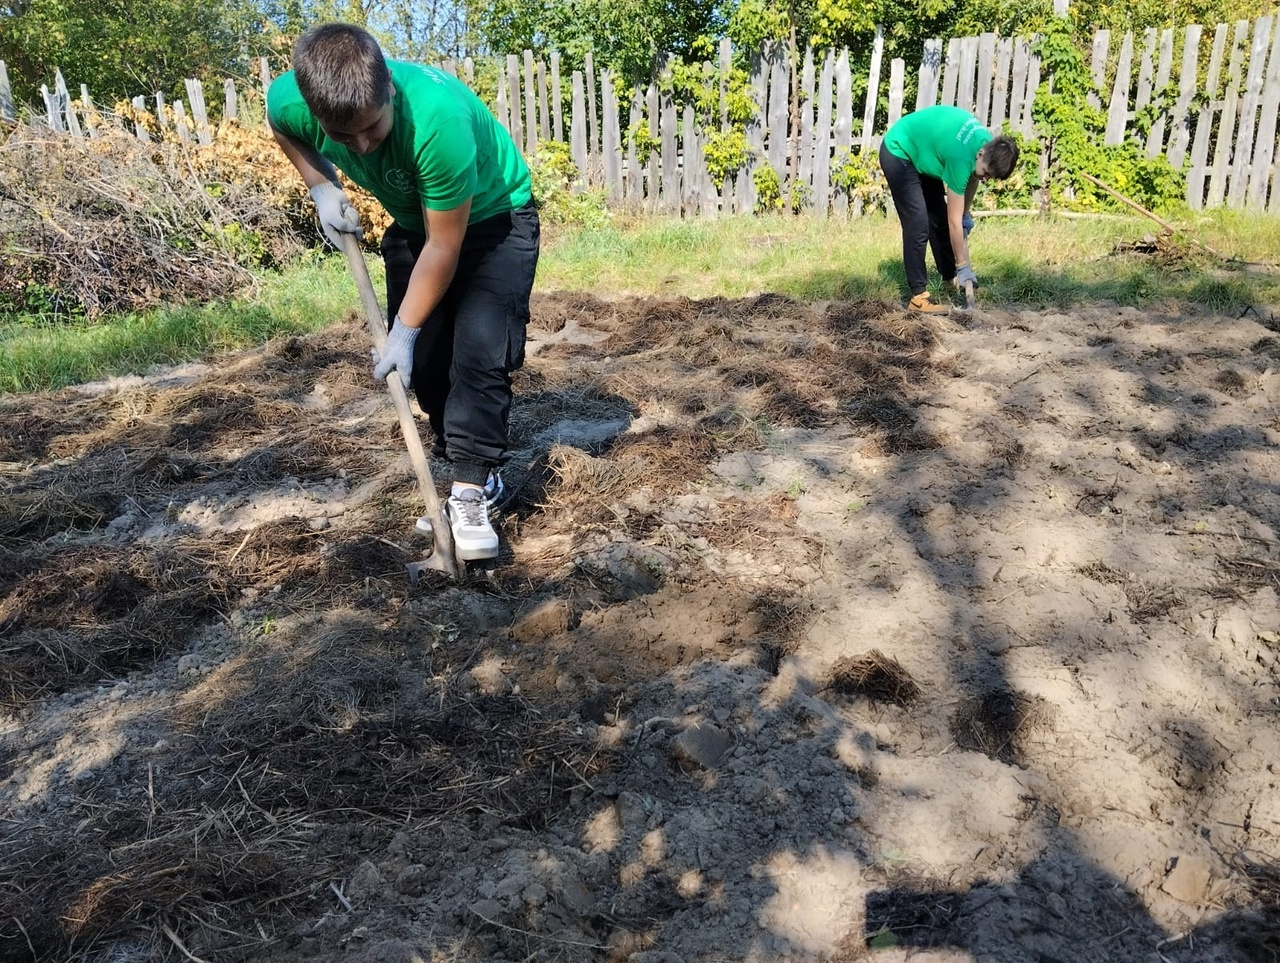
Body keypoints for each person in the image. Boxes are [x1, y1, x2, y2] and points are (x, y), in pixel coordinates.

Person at [267, 22, 539, 562]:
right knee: (429, 365)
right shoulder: (290, 101)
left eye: (372, 128)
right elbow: (282, 129)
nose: (362, 146)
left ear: (388, 87)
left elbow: (446, 247)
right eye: (344, 138)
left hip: (494, 219)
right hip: (418, 225)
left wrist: (403, 331)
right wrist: (321, 185)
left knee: (481, 353)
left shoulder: (438, 121)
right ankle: (462, 456)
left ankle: (471, 487)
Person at [878, 105, 1019, 314]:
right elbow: (954, 222)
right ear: (981, 154)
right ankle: (918, 298)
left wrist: (965, 214)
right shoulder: (960, 158)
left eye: (991, 177)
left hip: (924, 155)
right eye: (987, 173)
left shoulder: (984, 143)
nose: (986, 179)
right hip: (899, 151)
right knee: (918, 225)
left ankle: (949, 278)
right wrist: (963, 265)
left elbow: (973, 179)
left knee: (938, 217)